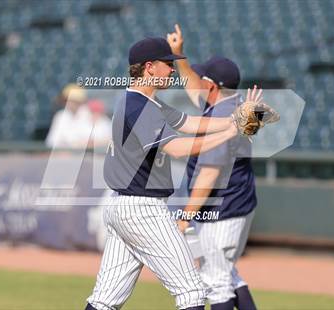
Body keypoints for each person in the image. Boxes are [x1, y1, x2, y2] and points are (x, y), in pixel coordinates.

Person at [85, 37, 258, 310]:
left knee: (105, 299)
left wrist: (234, 121)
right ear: (149, 67)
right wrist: (232, 132)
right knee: (191, 292)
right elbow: (178, 148)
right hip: (142, 210)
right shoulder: (139, 107)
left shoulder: (141, 101)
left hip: (122, 207)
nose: (172, 70)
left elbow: (190, 123)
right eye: (167, 64)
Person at [167, 25, 258, 310]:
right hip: (237, 205)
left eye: (204, 77)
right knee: (228, 274)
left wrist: (184, 218)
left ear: (213, 86)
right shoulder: (229, 103)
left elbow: (209, 174)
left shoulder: (221, 112)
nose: (198, 80)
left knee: (215, 281)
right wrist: (178, 55)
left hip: (223, 211)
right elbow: (194, 85)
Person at [45, 84, 91, 149]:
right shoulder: (60, 116)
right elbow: (52, 142)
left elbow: (98, 141)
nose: (69, 103)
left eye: (73, 100)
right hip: (64, 155)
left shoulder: (90, 114)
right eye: (67, 100)